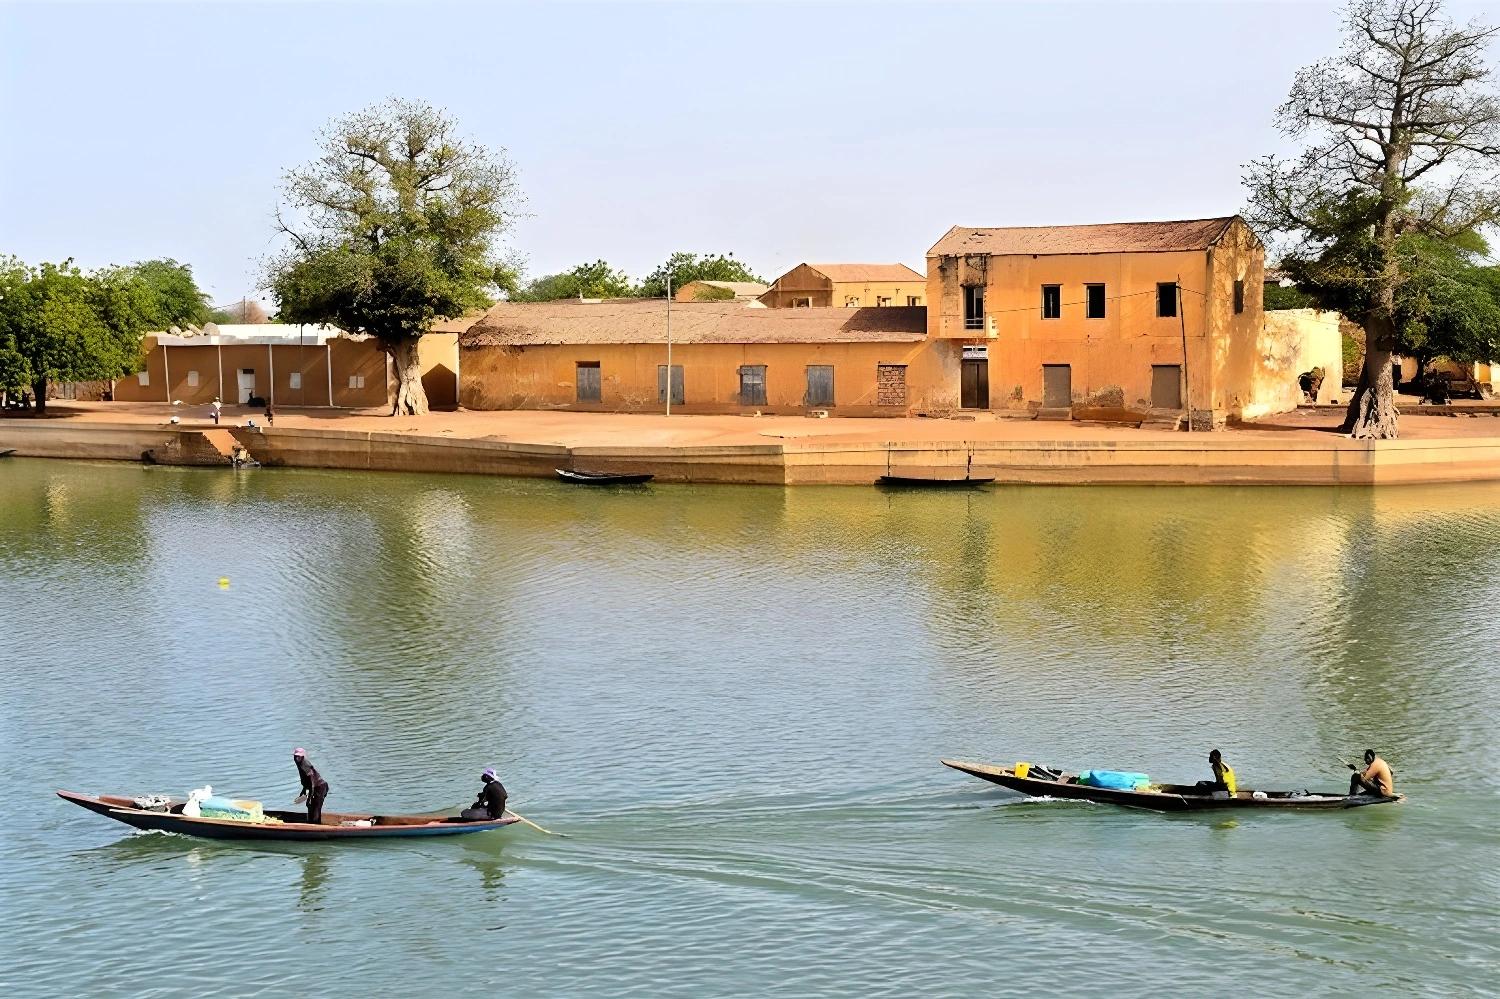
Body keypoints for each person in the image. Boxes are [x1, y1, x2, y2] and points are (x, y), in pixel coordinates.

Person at [292, 747, 329, 824]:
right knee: (311, 808)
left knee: (315, 808)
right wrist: (304, 790)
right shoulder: (300, 764)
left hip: (319, 787)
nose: (296, 758)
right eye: (295, 756)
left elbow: (312, 782)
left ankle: (316, 827)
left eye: (299, 756)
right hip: (315, 787)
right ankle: (312, 824)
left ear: (303, 757)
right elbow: (307, 781)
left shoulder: (305, 765)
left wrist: (310, 797)